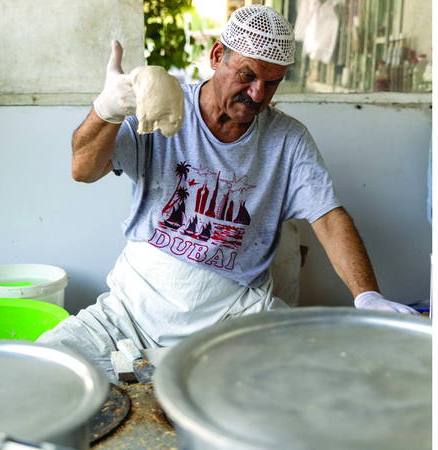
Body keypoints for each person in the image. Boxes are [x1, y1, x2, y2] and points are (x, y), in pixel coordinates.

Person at [37, 5, 418, 359]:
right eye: (248, 75)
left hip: (234, 317)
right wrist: (107, 110)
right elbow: (82, 169)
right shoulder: (162, 107)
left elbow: (329, 218)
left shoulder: (288, 140)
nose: (257, 95)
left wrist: (368, 296)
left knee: (305, 380)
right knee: (46, 362)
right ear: (218, 56)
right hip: (131, 311)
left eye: (271, 84)